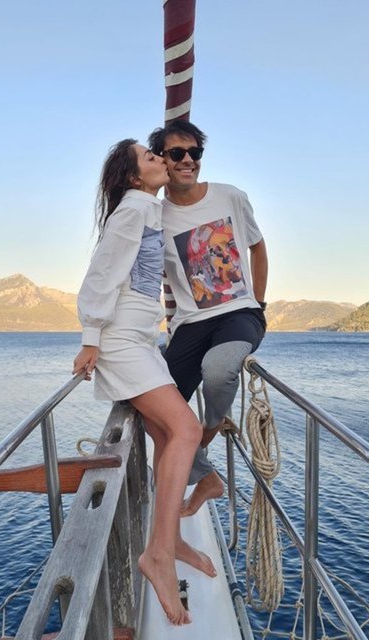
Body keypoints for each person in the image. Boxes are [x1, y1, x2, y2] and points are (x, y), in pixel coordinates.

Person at [73, 139, 216, 626]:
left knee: (166, 434)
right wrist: (91, 338)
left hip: (142, 340)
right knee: (187, 430)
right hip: (120, 342)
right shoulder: (132, 210)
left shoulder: (149, 209)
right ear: (135, 177)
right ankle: (157, 554)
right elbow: (100, 275)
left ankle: (171, 540)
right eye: (152, 157)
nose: (161, 160)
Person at [148, 121, 268, 517]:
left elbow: (258, 248)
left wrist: (259, 304)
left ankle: (208, 430)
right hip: (189, 324)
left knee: (218, 370)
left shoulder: (230, 197)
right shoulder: (155, 216)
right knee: (150, 408)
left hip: (239, 313)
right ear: (162, 160)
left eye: (194, 152)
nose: (187, 160)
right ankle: (206, 477)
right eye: (176, 153)